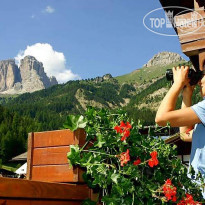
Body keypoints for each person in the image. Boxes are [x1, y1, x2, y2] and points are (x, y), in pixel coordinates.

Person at [155, 65, 205, 196]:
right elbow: (184, 134)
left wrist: (177, 84)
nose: (200, 81)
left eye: (203, 75)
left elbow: (161, 118)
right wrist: (187, 94)